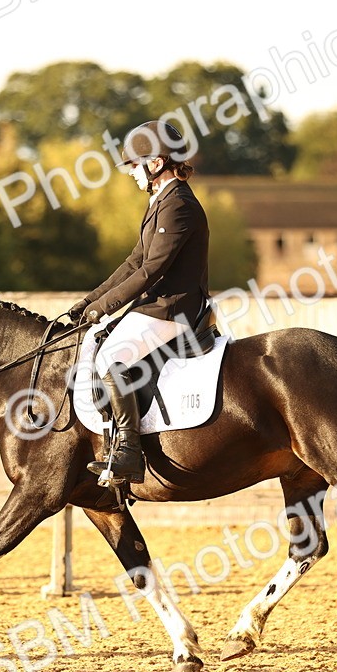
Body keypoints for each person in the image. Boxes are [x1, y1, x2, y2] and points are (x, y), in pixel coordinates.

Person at [68, 121, 210, 484]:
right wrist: (89, 301)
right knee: (96, 341)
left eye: (135, 164)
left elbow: (151, 270)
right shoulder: (161, 201)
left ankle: (129, 452)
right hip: (158, 305)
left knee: (110, 357)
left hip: (173, 308)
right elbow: (133, 262)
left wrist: (104, 308)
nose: (131, 171)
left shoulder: (178, 205)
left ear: (157, 163)